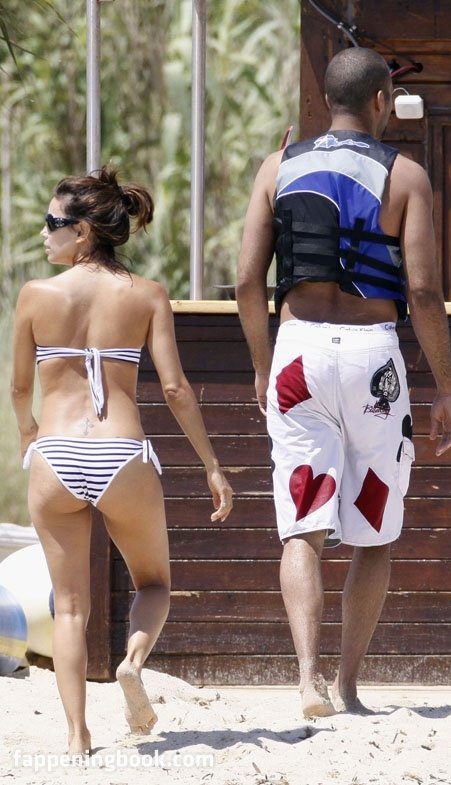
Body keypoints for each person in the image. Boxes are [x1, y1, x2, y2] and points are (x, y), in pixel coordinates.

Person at [236, 47, 451, 717]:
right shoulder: (406, 175)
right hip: (372, 363)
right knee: (375, 530)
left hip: (298, 355)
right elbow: (423, 292)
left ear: (328, 99)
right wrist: (446, 386)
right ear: (381, 100)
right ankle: (348, 686)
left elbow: (247, 281)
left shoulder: (277, 166)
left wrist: (261, 365)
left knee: (301, 525)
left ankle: (306, 680)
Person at [11, 167, 233, 755]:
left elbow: (18, 388)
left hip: (56, 451)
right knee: (154, 583)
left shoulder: (35, 295)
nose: (44, 233)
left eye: (53, 222)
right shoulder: (148, 293)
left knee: (70, 607)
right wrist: (211, 464)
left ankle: (77, 737)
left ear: (83, 231)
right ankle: (132, 662)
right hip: (121, 452)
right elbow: (176, 389)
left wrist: (29, 432)